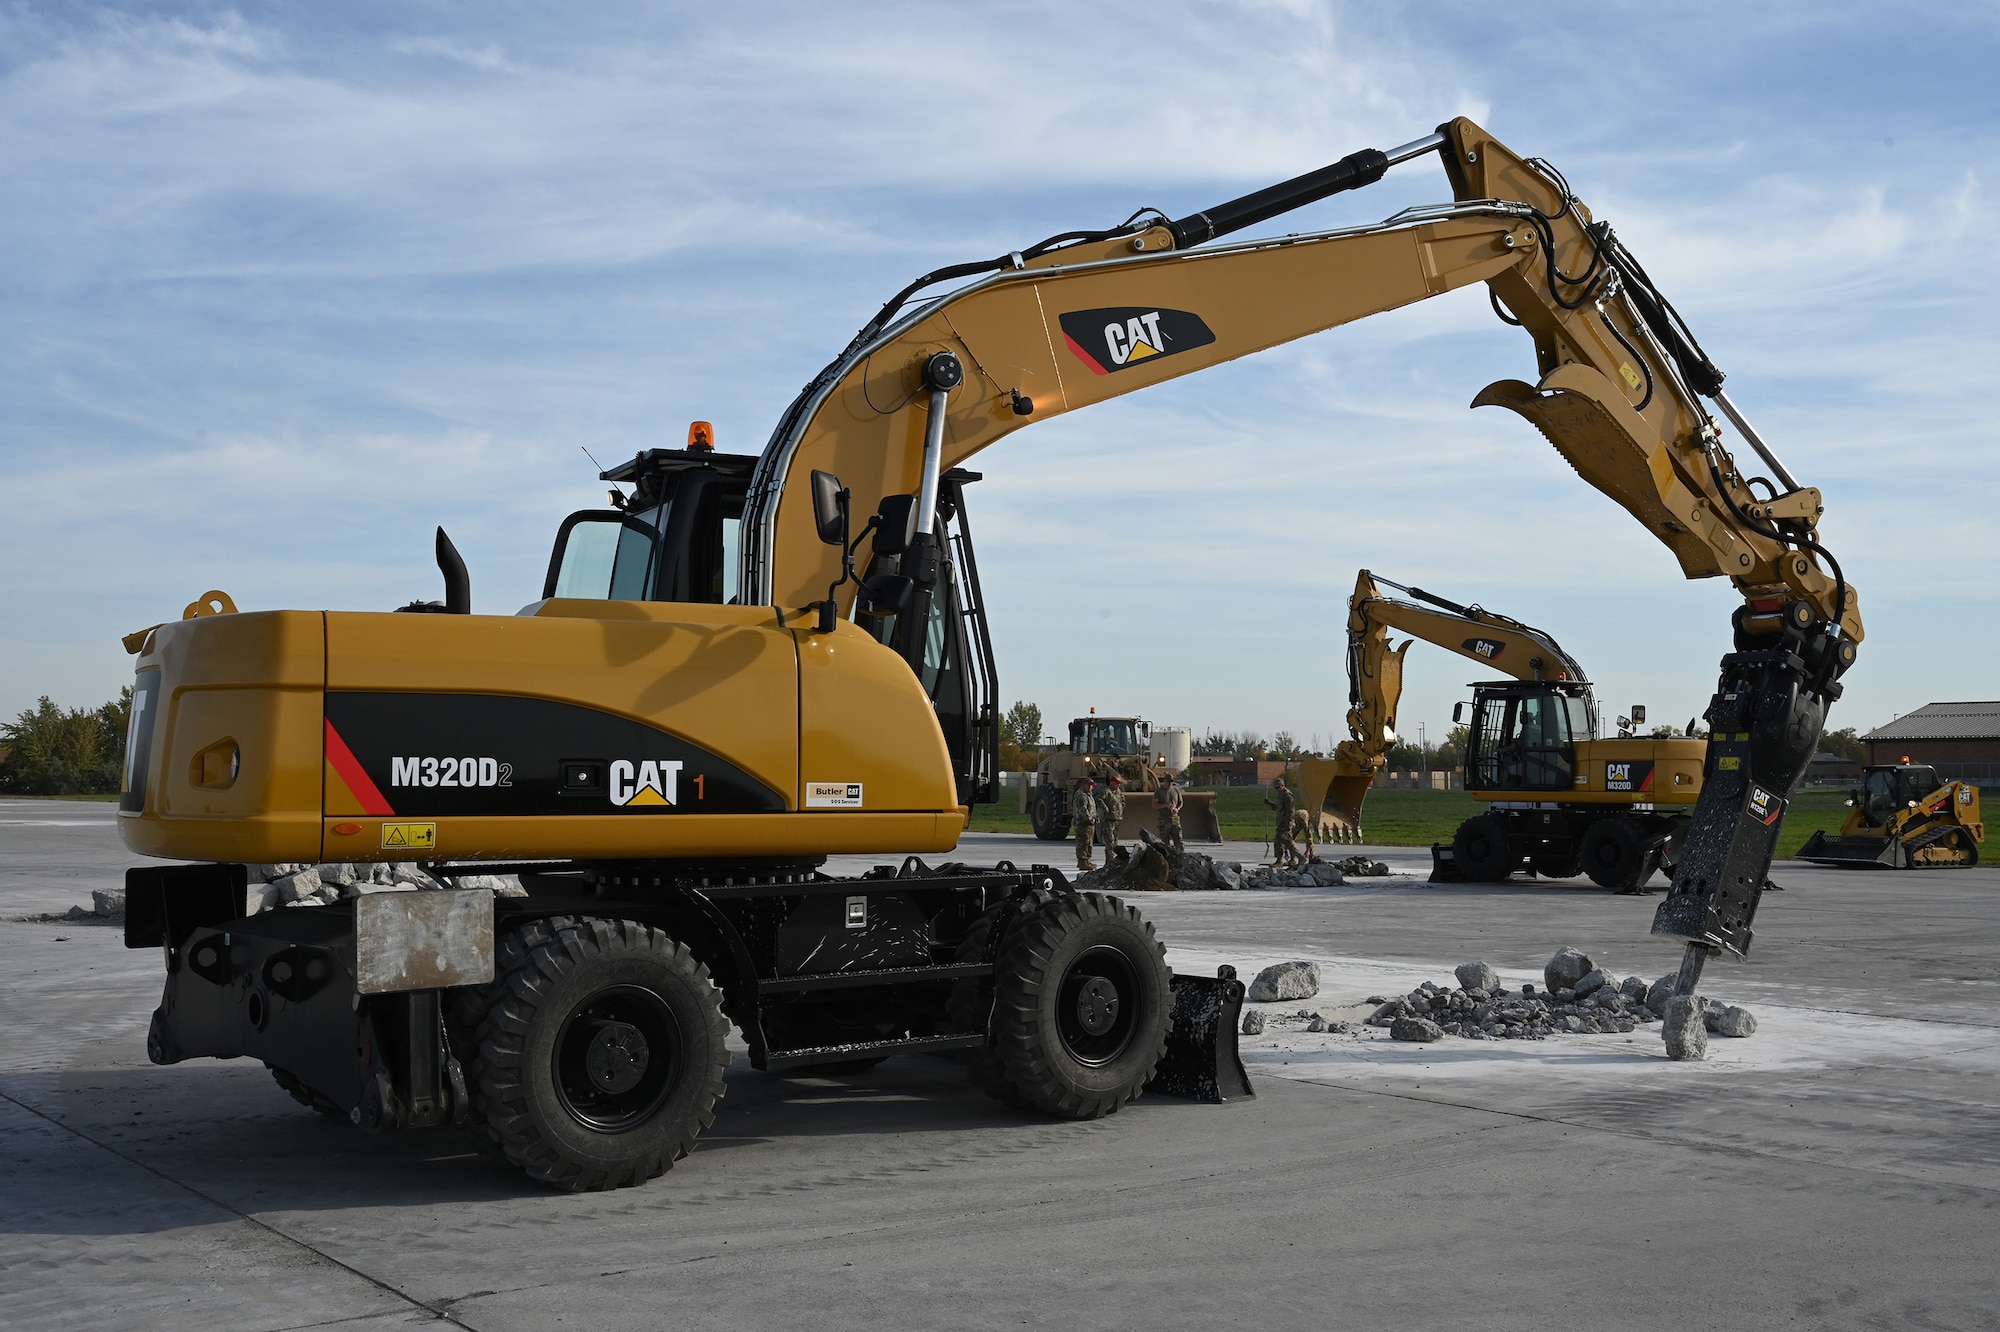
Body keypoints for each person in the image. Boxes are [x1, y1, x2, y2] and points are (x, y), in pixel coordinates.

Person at [1265, 776, 1301, 868]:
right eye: (1275, 788)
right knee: (1285, 841)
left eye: (1278, 787)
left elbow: (1291, 811)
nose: (1276, 789)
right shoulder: (1281, 795)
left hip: (1286, 822)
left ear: (1282, 786)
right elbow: (1279, 808)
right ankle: (1293, 859)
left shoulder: (1288, 795)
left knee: (1283, 841)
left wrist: (1288, 823)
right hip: (1282, 822)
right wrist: (1270, 804)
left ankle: (1282, 860)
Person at [1072, 776, 1101, 871]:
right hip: (1082, 823)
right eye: (1088, 785)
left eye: (1091, 785)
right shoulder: (1081, 796)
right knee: (1083, 842)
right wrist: (1090, 819)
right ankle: (1082, 861)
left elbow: (1092, 808)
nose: (1090, 787)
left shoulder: (1089, 795)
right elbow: (1083, 810)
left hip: (1089, 823)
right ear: (1083, 785)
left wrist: (1095, 817)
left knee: (1089, 842)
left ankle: (1087, 860)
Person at [1154, 771, 1185, 851]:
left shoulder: (1176, 790)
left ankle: (1180, 856)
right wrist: (1165, 805)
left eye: (1171, 781)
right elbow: (1155, 805)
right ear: (1165, 781)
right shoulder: (1159, 791)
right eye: (1168, 781)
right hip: (1164, 819)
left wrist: (1177, 809)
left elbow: (1180, 803)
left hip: (1174, 818)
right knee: (1165, 842)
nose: (1170, 783)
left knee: (1178, 839)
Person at [1100, 773, 1126, 857]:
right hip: (1109, 819)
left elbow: (1122, 800)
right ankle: (1109, 858)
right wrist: (1105, 808)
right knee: (1109, 840)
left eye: (1119, 783)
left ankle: (1114, 857)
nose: (1118, 785)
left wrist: (1121, 806)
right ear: (1112, 782)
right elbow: (1099, 799)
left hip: (1117, 818)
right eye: (1117, 783)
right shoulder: (1106, 791)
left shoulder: (1118, 792)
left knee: (1115, 839)